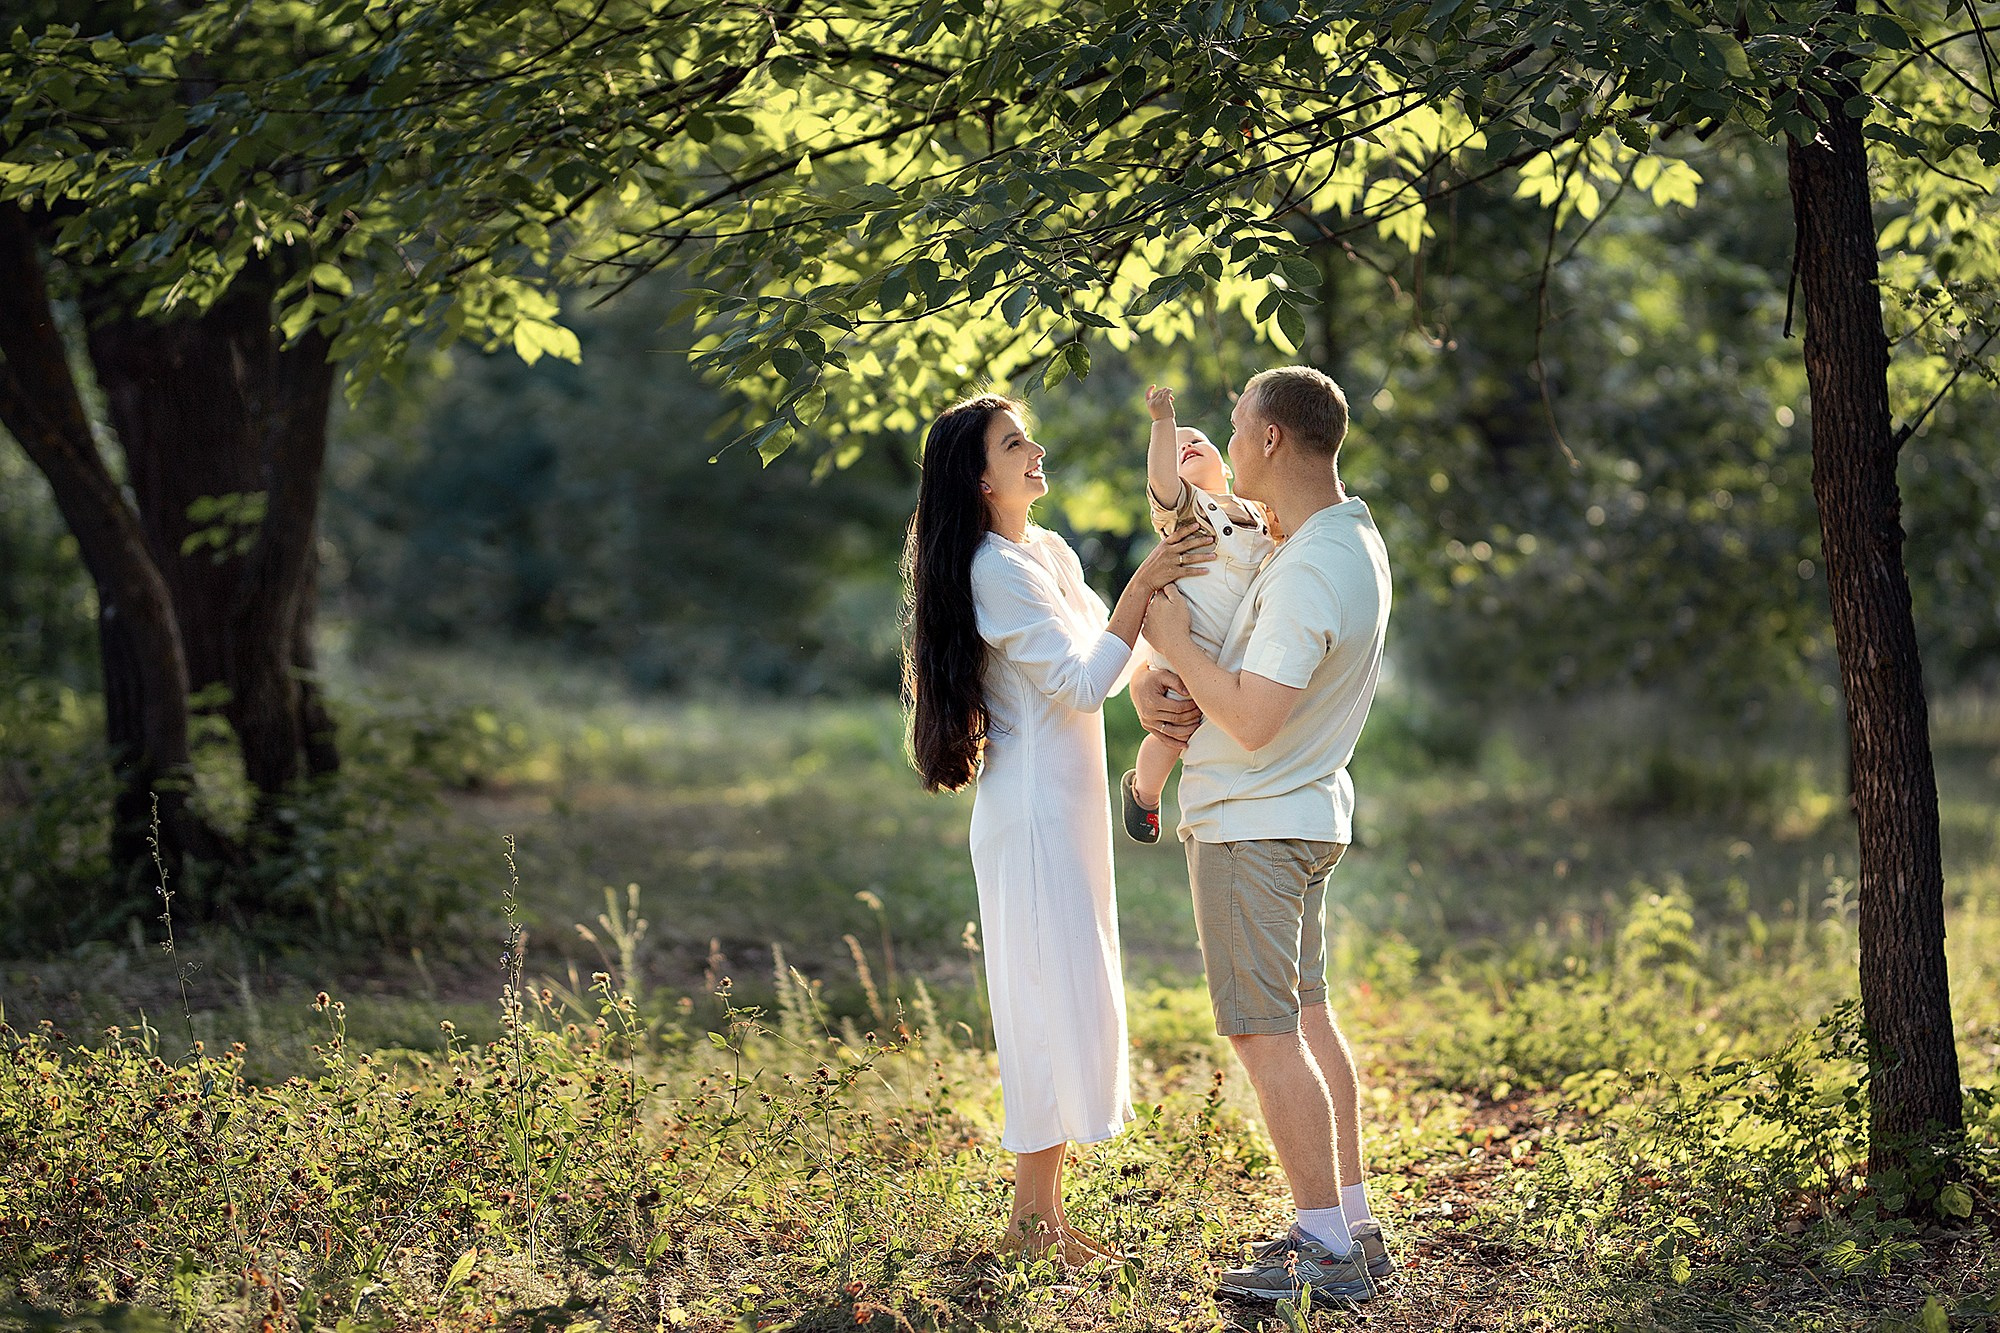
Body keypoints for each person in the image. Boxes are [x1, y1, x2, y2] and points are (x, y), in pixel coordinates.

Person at [901, 392, 1213, 1263]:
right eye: (1013, 442)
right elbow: (1078, 683)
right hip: (1033, 814)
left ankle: (1048, 1218)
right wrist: (1148, 579)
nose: (1035, 449)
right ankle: (1031, 1225)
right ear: (979, 473)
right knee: (1042, 1002)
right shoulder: (992, 571)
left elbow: (1103, 667)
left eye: (1029, 435)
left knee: (1072, 995)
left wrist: (1151, 672)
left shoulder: (1046, 550)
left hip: (1068, 815)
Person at [1136, 366, 1395, 1303]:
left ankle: (1324, 1247)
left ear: (1273, 440)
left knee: (1264, 1034)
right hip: (1299, 814)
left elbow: (1249, 717)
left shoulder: (1312, 570)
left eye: (1239, 424)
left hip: (1256, 827)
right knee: (1306, 1019)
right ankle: (1355, 1223)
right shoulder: (1335, 540)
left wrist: (1173, 632)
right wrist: (1165, 673)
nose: (1230, 439)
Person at [1120, 383, 1277, 844]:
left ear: (1226, 466)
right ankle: (1144, 795)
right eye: (1177, 447)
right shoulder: (1187, 511)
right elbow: (1164, 481)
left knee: (1228, 721)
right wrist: (1163, 422)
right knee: (1175, 728)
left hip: (1235, 648)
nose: (1186, 446)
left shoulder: (1262, 511)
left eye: (1198, 442)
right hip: (1185, 639)